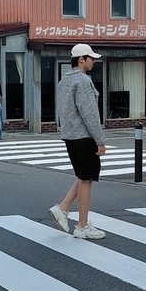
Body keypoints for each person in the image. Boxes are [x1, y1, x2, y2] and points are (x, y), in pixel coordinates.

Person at [49, 44, 107, 240]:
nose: (94, 61)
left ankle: (63, 208)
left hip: (70, 134)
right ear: (81, 59)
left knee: (84, 176)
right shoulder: (83, 81)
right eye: (91, 58)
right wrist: (100, 140)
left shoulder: (64, 80)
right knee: (86, 178)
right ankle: (81, 225)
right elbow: (89, 113)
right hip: (84, 136)